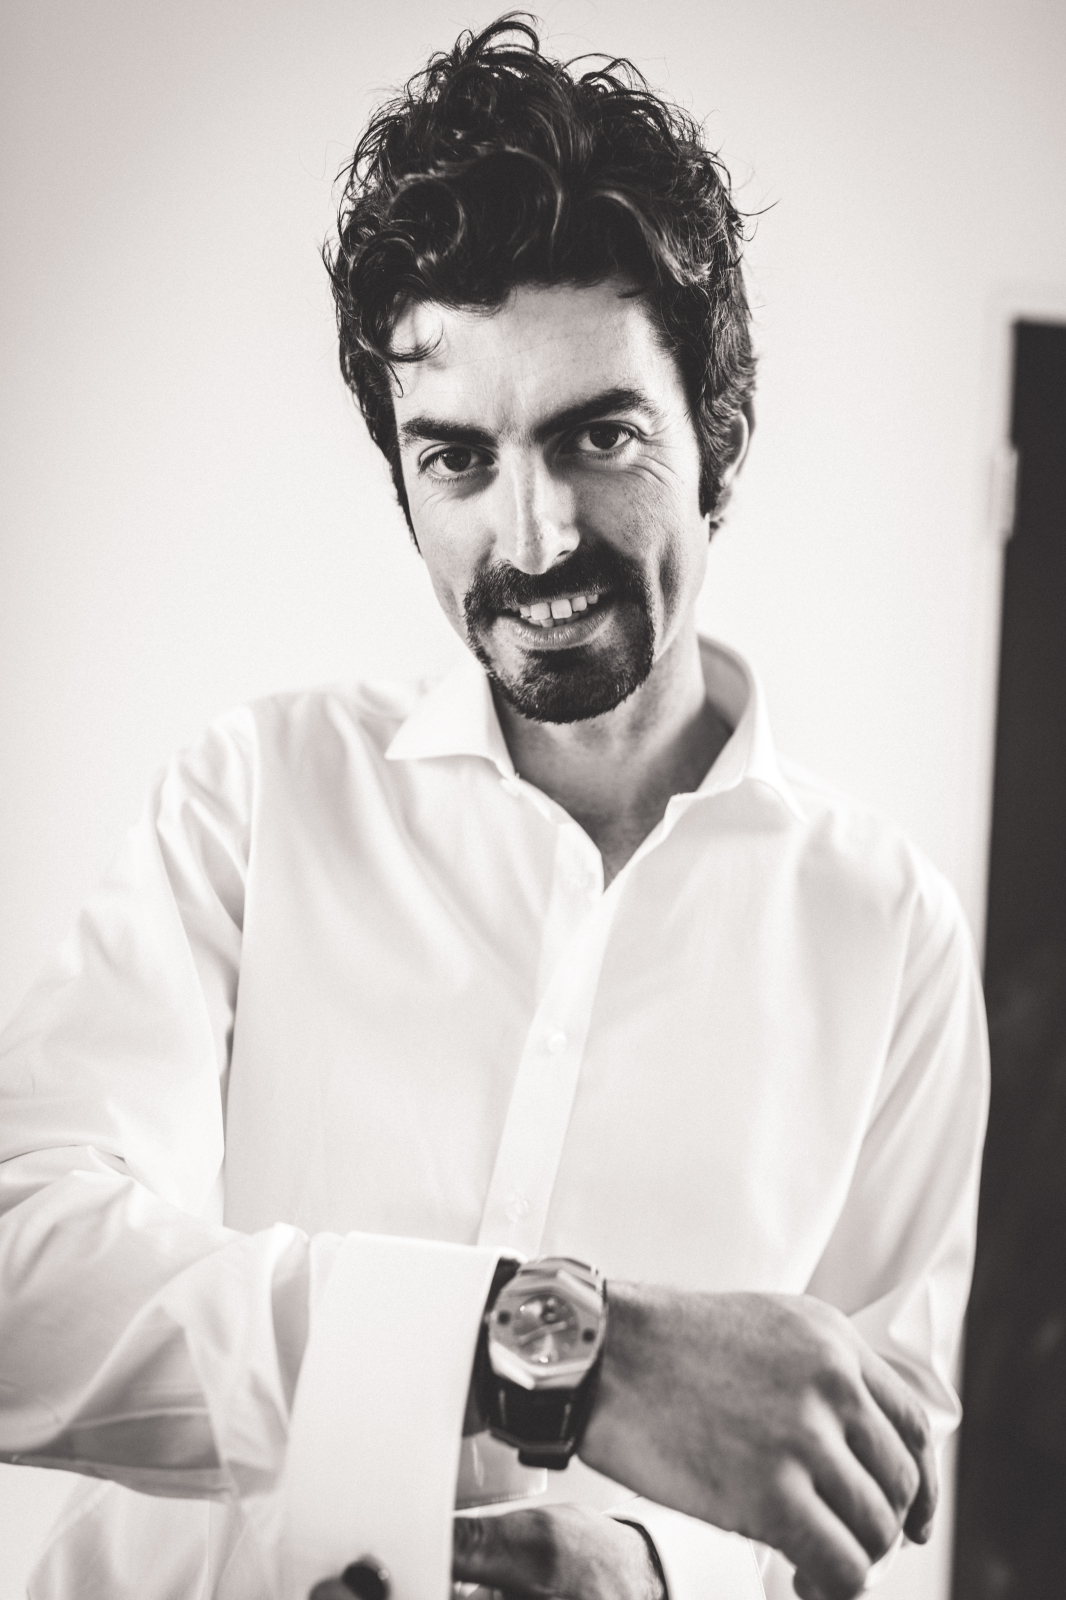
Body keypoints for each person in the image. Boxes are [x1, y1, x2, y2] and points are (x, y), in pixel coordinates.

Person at [0, 16, 987, 1600]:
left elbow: (873, 1485)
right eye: (456, 459)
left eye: (599, 437)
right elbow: (21, 1286)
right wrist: (538, 1345)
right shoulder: (255, 796)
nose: (531, 541)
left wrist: (652, 1576)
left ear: (718, 444)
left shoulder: (889, 935)